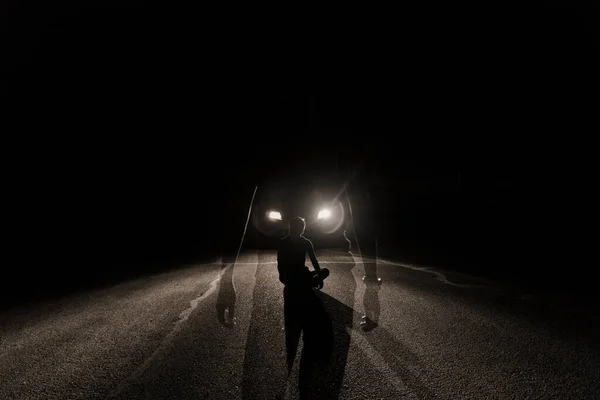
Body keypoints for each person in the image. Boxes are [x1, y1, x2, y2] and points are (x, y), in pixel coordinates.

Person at [277, 216, 330, 376]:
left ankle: (308, 283)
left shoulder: (302, 242)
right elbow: (282, 263)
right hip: (295, 277)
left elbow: (313, 261)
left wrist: (319, 275)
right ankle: (308, 283)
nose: (298, 230)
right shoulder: (295, 242)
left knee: (323, 272)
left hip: (297, 276)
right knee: (319, 274)